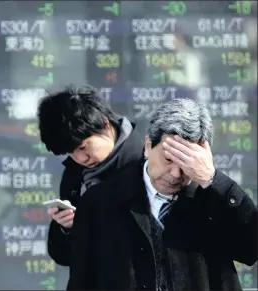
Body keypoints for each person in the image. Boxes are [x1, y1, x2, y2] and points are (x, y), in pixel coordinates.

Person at [67, 98, 257, 290]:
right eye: (168, 159)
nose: (176, 173)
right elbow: (81, 280)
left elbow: (251, 249)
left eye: (186, 164)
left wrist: (213, 180)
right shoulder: (100, 202)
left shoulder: (214, 199)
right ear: (148, 146)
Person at [37, 84, 143, 266]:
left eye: (83, 147)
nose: (80, 158)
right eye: (71, 153)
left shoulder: (147, 161)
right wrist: (67, 228)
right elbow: (64, 257)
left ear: (105, 124)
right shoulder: (74, 174)